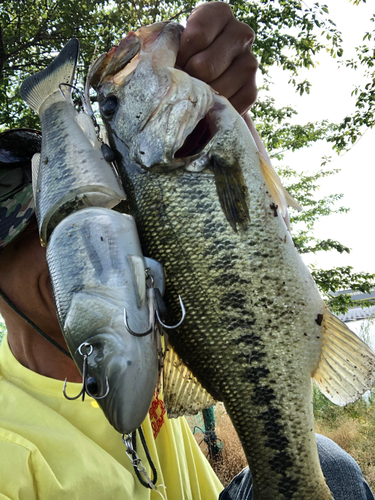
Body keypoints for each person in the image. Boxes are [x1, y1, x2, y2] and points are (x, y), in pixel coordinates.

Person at [0, 3, 373, 499]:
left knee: (331, 466)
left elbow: (220, 225)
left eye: (95, 211)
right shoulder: (11, 453)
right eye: (37, 225)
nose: (79, 243)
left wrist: (214, 99)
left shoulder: (148, 323)